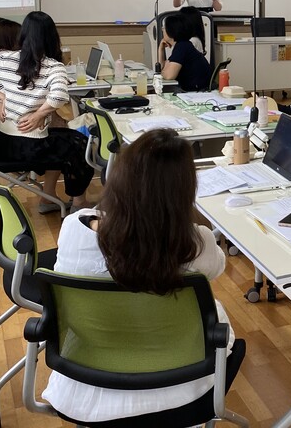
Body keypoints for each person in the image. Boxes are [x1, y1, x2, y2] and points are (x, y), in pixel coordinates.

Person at [42, 128, 238, 423]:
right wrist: (187, 217)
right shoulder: (196, 243)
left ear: (120, 178)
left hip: (89, 374)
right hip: (180, 381)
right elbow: (217, 267)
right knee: (216, 315)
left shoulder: (74, 227)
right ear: (184, 192)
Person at [0, 11, 94, 212]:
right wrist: (38, 114)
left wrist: (2, 96)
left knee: (61, 139)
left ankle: (48, 198)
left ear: (23, 35)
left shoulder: (5, 59)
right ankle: (79, 203)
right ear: (52, 37)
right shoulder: (54, 67)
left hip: (2, 141)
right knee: (80, 144)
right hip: (31, 145)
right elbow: (59, 96)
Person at [158, 12, 211, 91]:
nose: (162, 30)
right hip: (195, 89)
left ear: (171, 30)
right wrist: (161, 49)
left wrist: (162, 73)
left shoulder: (182, 46)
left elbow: (169, 76)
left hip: (196, 92)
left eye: (164, 28)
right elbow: (162, 67)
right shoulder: (182, 45)